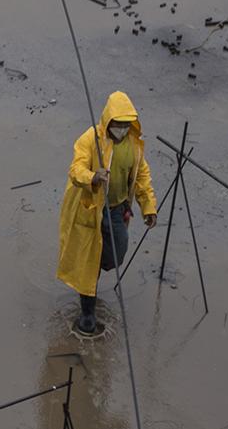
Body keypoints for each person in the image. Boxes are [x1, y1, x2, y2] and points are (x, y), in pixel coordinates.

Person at [55, 90, 159, 336]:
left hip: (116, 209)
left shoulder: (134, 145)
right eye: (117, 124)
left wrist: (148, 207)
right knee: (86, 263)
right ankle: (87, 313)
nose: (121, 129)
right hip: (90, 210)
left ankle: (96, 269)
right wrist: (93, 176)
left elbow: (142, 178)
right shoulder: (90, 140)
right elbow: (75, 169)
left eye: (125, 125)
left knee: (117, 252)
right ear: (108, 121)